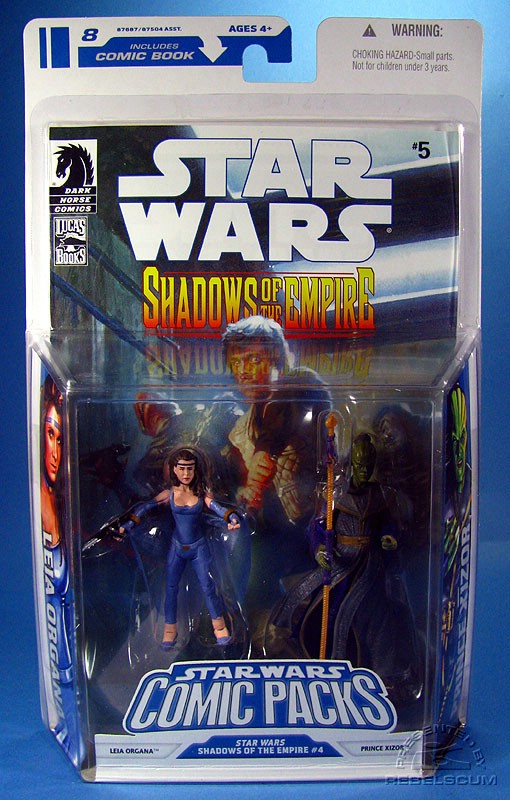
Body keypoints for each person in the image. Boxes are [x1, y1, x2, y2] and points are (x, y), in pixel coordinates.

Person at [267, 433, 421, 704]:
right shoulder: (336, 495)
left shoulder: (380, 495)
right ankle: (319, 659)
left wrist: (390, 536)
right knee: (326, 608)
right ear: (351, 465)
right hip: (340, 563)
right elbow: (317, 527)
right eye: (359, 465)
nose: (364, 470)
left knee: (381, 616)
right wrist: (321, 549)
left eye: (368, 465)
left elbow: (390, 523)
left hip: (371, 565)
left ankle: (386, 674)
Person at [221, 317, 331, 608]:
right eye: (236, 362)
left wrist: (264, 450)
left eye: (254, 359)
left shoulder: (303, 387)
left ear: (277, 360)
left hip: (312, 533)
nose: (243, 371)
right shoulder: (238, 430)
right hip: (269, 541)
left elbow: (285, 408)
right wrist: (243, 495)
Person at [121, 446, 240, 650]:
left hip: (199, 547)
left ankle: (219, 627)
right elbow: (146, 507)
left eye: (190, 469)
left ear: (195, 470)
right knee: (171, 589)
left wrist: (231, 517)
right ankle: (170, 630)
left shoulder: (201, 493)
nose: (186, 473)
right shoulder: (169, 494)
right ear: (174, 470)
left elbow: (217, 507)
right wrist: (129, 523)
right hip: (177, 548)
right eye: (182, 468)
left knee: (208, 587)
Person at [40, 375, 82, 764]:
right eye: (50, 436)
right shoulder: (46, 509)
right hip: (65, 669)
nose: (55, 451)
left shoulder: (63, 508)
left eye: (60, 439)